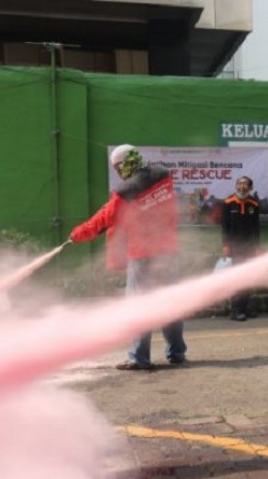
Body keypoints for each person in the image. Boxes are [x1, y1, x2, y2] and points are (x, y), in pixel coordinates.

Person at [70, 144, 186, 371]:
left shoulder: (127, 190)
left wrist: (77, 234)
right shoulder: (163, 176)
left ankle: (139, 358)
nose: (117, 172)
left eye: (117, 167)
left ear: (125, 164)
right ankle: (177, 353)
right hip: (168, 252)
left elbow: (106, 218)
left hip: (143, 256)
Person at [222, 176, 260, 321]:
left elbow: (256, 228)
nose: (242, 186)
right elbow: (225, 227)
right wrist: (226, 245)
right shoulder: (228, 202)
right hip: (235, 247)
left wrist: (257, 246)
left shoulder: (253, 204)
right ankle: (235, 310)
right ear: (236, 186)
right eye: (240, 183)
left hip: (249, 247)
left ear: (250, 187)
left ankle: (244, 308)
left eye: (245, 184)